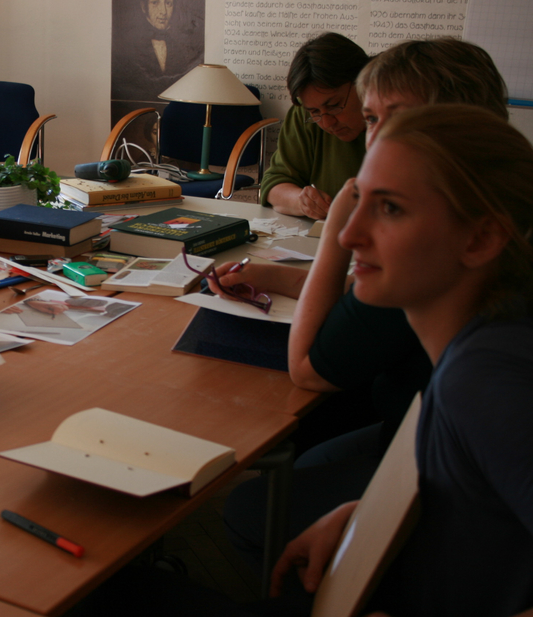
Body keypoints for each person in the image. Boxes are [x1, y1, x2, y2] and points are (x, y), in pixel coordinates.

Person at [70, 105, 533, 617]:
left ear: (481, 239)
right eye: (359, 201)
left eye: (391, 209)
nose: (349, 236)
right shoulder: (474, 344)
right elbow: (474, 505)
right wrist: (367, 516)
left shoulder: (486, 379)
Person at [218, 37, 510, 577]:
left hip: (434, 458)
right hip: (422, 435)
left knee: (252, 505)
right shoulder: (477, 218)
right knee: (312, 456)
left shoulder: (491, 370)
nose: (375, 139)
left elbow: (309, 368)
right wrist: (271, 275)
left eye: (395, 119)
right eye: (373, 119)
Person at [259, 32, 369, 220]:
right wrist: (303, 202)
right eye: (315, 112)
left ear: (365, 83)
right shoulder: (303, 114)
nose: (326, 123)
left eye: (334, 105)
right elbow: (274, 184)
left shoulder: (402, 117)